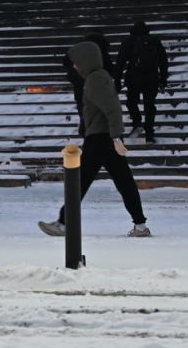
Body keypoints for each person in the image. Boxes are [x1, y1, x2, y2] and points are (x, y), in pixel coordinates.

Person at [39, 41, 151, 238]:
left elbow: (112, 109)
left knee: (79, 181)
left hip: (100, 139)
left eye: (76, 62)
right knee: (123, 182)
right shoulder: (99, 77)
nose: (74, 66)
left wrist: (116, 137)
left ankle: (64, 223)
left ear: (85, 60)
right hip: (103, 137)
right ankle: (140, 226)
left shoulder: (95, 79)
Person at [114, 20, 168, 143]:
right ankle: (149, 135)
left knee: (131, 102)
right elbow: (163, 61)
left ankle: (137, 122)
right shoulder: (154, 41)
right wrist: (163, 78)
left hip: (133, 78)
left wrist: (117, 80)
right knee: (149, 106)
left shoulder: (128, 41)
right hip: (151, 78)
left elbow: (120, 63)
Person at [63, 32, 114, 136]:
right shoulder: (102, 51)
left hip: (80, 83)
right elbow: (110, 68)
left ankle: (84, 124)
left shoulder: (78, 49)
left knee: (82, 104)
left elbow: (65, 61)